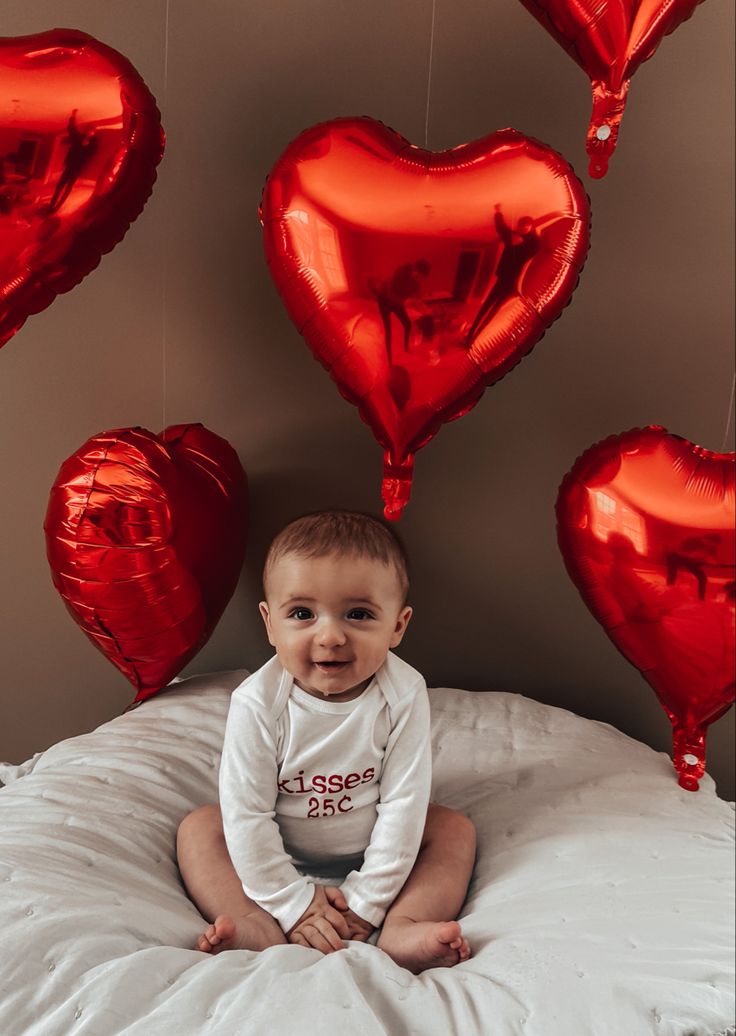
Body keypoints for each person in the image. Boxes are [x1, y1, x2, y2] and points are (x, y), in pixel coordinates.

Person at [176, 510, 476, 974]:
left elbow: (404, 803)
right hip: (280, 848)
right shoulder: (257, 703)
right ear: (270, 623)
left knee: (453, 829)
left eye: (359, 614)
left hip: (375, 842)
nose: (331, 636)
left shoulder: (403, 693)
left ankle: (405, 923)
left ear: (398, 625)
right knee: (200, 829)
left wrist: (367, 903)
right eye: (302, 614)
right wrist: (293, 904)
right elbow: (247, 815)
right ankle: (255, 920)